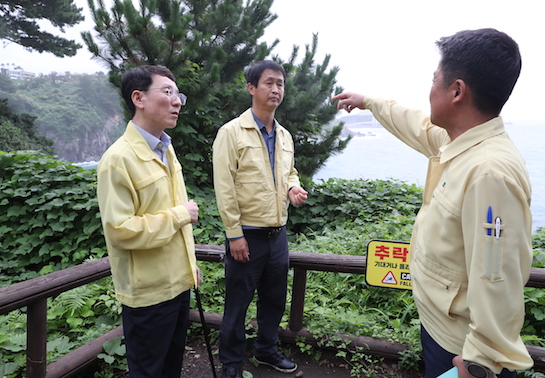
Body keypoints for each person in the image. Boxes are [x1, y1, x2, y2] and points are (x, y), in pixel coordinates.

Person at [332, 28, 533, 378]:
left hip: (463, 352)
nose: (430, 89)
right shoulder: (458, 141)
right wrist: (369, 102)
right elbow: (415, 124)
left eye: (434, 79)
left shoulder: (488, 172)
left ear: (457, 91)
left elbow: (497, 277)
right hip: (441, 329)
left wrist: (480, 362)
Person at [97, 65, 200, 378]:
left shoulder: (166, 150)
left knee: (170, 368)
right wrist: (181, 214)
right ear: (138, 98)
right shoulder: (118, 160)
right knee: (148, 372)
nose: (177, 101)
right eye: (167, 92)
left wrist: (189, 262)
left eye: (177, 93)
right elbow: (120, 231)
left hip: (179, 284)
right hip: (148, 295)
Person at [212, 60, 309, 378]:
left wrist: (293, 187)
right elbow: (224, 187)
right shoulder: (231, 132)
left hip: (278, 236)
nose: (276, 89)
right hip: (247, 236)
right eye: (269, 83)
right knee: (236, 305)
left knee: (273, 300)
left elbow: (289, 172)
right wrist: (234, 234)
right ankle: (230, 362)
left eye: (280, 83)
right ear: (252, 88)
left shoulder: (285, 136)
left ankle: (266, 351)